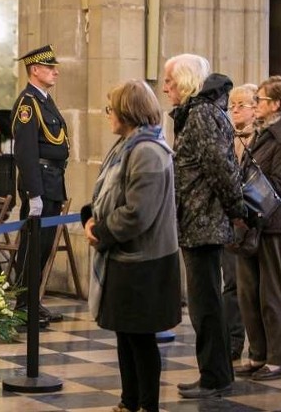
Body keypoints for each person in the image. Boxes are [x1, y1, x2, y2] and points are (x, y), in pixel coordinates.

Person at [83, 80, 181, 412]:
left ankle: (147, 405)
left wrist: (101, 231)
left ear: (128, 112)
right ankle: (130, 401)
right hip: (126, 258)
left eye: (111, 109)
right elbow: (108, 193)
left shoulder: (148, 151)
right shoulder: (128, 144)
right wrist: (90, 217)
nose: (107, 115)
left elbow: (138, 213)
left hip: (144, 262)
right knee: (125, 336)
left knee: (141, 340)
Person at [163, 54, 245, 399]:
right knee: (204, 303)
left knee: (205, 305)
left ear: (184, 81)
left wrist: (236, 209)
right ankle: (216, 373)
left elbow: (221, 169)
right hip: (198, 220)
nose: (165, 88)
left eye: (169, 81)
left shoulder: (200, 115)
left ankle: (214, 376)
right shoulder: (198, 114)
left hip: (204, 222)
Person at [235, 76, 281, 381]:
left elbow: (280, 183)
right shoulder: (263, 133)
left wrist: (245, 200)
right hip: (250, 222)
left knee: (272, 293)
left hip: (275, 225)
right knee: (248, 293)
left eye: (259, 100)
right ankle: (258, 354)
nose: (254, 105)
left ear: (275, 104)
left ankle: (277, 359)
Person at [12, 44, 68, 324]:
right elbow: (25, 152)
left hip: (53, 182)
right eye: (50, 67)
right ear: (35, 70)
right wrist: (34, 193)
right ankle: (23, 305)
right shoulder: (28, 104)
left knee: (44, 247)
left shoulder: (44, 100)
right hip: (41, 184)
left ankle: (32, 302)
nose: (55, 71)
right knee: (32, 247)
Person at [226, 83, 257, 362]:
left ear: (256, 108)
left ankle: (261, 345)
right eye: (231, 105)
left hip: (255, 222)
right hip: (229, 221)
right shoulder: (227, 136)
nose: (234, 110)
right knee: (231, 285)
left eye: (241, 105)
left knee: (255, 285)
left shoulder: (261, 138)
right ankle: (233, 342)